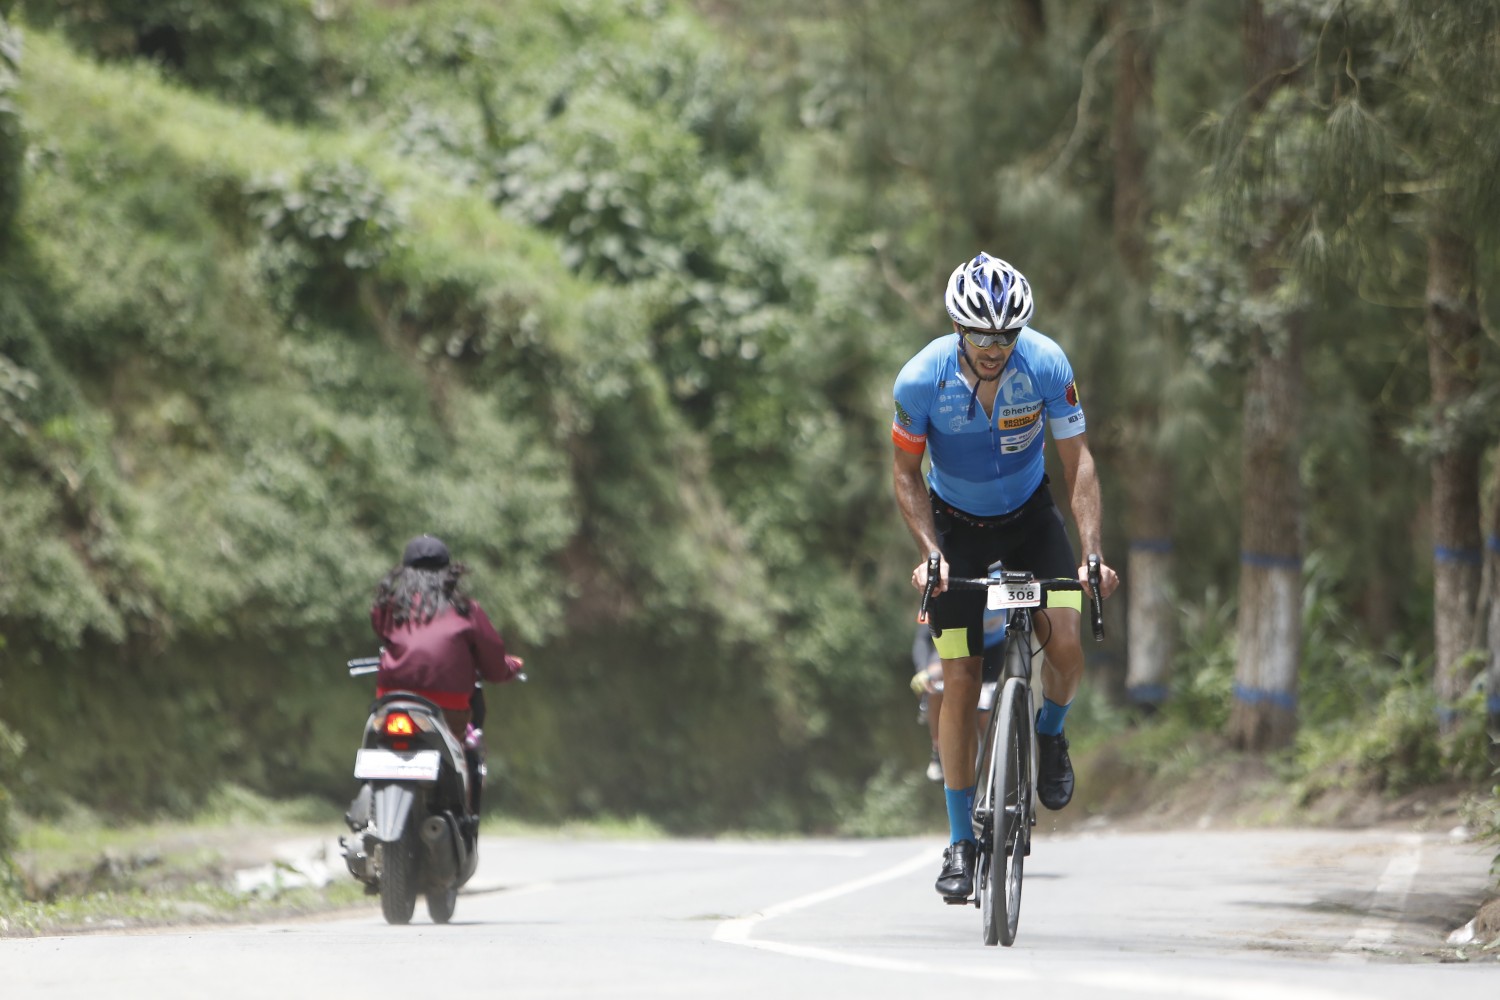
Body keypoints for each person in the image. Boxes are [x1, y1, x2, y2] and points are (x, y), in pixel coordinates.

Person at [891, 252, 1119, 903]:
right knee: (959, 680)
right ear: (957, 328)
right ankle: (961, 843)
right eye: (981, 335)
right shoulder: (920, 379)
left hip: (1030, 519)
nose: (994, 349)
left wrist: (1092, 553)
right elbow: (905, 474)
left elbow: (1078, 462)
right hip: (955, 530)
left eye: (1005, 336)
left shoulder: (1046, 364)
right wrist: (930, 551)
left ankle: (1050, 734)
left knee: (1066, 644)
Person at [369, 534, 525, 818]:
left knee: (375, 740)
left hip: (392, 704)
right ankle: (464, 817)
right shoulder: (466, 610)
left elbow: (393, 638)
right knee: (468, 750)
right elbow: (493, 664)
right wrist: (510, 667)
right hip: (446, 710)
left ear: (405, 570)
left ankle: (369, 808)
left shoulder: (388, 608)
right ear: (448, 572)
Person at [910, 583, 1007, 783]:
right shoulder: (942, 585)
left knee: (986, 721)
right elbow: (922, 638)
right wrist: (923, 670)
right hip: (955, 646)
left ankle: (993, 784)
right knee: (935, 682)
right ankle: (938, 748)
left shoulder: (999, 580)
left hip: (992, 650)